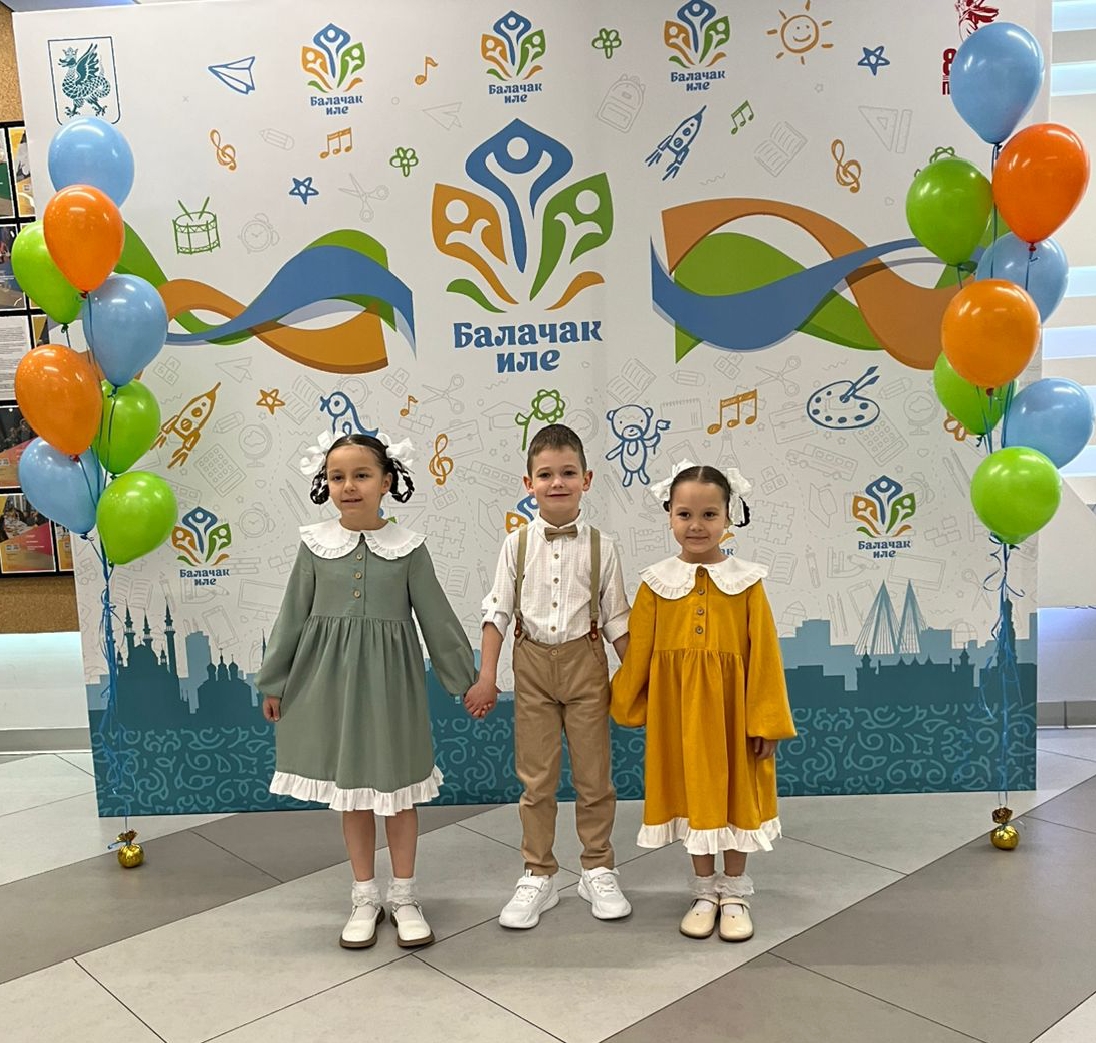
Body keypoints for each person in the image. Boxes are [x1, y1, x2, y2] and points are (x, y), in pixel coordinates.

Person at [257, 431, 476, 951]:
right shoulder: (314, 545)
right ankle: (364, 896)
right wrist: (274, 680)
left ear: (386, 482)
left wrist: (464, 680)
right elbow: (292, 616)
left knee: (397, 793)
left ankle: (405, 896)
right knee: (351, 793)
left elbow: (437, 618)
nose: (349, 486)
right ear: (326, 484)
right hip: (329, 684)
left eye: (361, 475)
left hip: (391, 687)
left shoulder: (409, 549)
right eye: (337, 477)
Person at [611, 461, 795, 942]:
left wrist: (766, 720)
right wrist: (627, 701)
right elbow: (641, 651)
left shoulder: (747, 582)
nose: (696, 525)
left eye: (709, 514)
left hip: (734, 715)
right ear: (669, 515)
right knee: (691, 795)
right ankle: (704, 889)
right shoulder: (656, 583)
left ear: (729, 517)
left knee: (735, 794)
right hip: (679, 715)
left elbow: (765, 655)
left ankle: (733, 891)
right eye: (685, 514)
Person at [465, 423, 632, 929]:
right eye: (545, 474)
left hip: (586, 666)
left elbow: (617, 620)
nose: (556, 482)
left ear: (587, 479)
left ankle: (597, 867)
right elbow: (497, 612)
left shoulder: (603, 546)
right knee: (536, 780)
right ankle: (538, 873)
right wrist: (487, 675)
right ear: (528, 483)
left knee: (594, 777)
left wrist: (639, 677)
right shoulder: (515, 545)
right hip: (533, 667)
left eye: (567, 473)